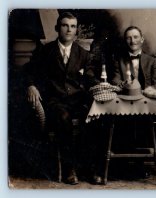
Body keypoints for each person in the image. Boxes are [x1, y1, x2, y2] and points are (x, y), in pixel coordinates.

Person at [24, 12, 101, 185]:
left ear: (76, 31)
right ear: (57, 28)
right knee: (63, 118)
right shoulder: (45, 51)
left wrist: (101, 85)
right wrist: (31, 85)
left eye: (73, 26)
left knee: (93, 117)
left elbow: (89, 76)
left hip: (77, 100)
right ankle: (69, 169)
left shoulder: (83, 54)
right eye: (65, 25)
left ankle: (90, 168)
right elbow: (29, 71)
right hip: (55, 100)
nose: (69, 29)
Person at [110, 26, 156, 178]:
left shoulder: (152, 61)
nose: (132, 40)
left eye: (135, 37)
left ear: (142, 39)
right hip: (124, 102)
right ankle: (123, 167)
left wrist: (143, 91)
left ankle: (138, 166)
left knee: (141, 123)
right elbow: (114, 78)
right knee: (121, 122)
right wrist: (121, 83)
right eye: (128, 37)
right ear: (125, 40)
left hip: (145, 105)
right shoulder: (118, 60)